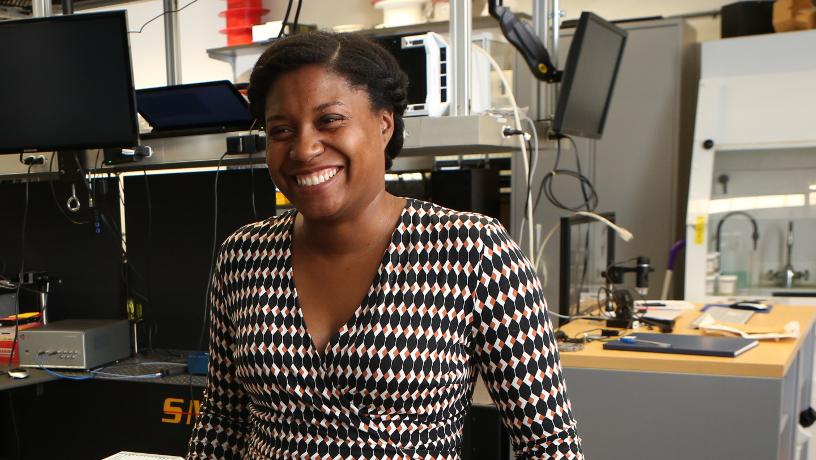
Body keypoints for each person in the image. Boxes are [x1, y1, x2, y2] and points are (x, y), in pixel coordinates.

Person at [187, 31, 583, 459]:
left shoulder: (473, 250)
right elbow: (222, 422)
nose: (303, 148)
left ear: (383, 124)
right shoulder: (243, 257)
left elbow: (550, 443)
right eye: (280, 129)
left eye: (330, 120)